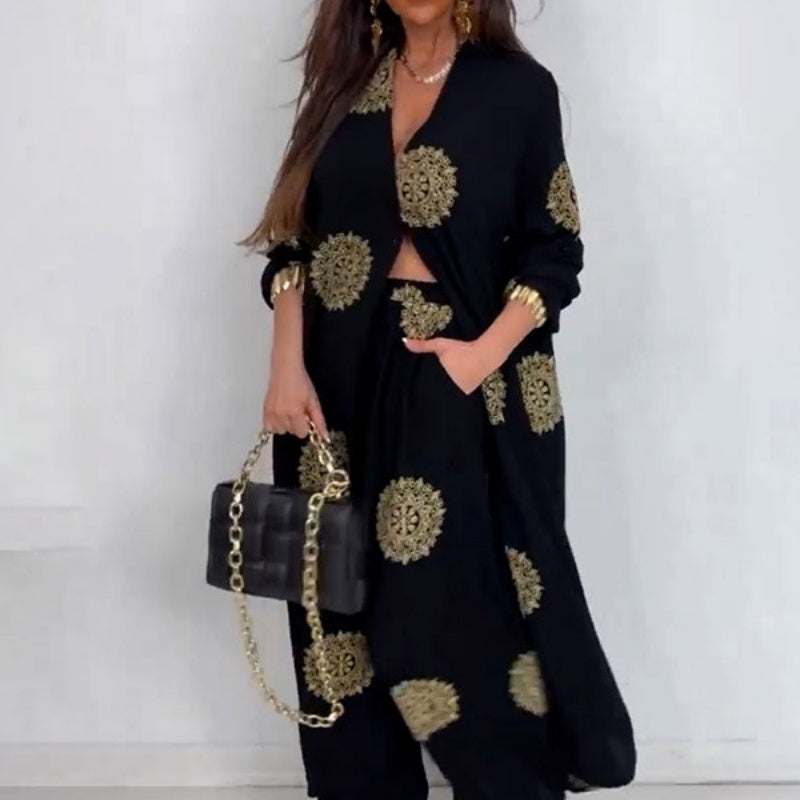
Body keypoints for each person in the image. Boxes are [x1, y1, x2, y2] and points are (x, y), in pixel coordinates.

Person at [244, 1, 636, 798]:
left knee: (435, 616)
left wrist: (478, 358)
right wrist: (286, 366)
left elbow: (555, 249)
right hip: (333, 378)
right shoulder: (344, 86)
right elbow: (294, 240)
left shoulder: (517, 91)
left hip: (454, 374)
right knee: (335, 607)